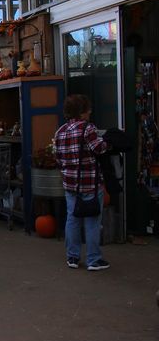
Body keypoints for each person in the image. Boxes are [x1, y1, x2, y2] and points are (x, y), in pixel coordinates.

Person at [54, 94, 110, 271]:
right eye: (88, 109)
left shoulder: (60, 131)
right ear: (82, 111)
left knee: (72, 218)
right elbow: (99, 149)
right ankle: (93, 260)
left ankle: (72, 257)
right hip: (90, 182)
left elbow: (58, 158)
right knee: (92, 221)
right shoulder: (88, 128)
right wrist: (108, 142)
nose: (90, 112)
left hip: (70, 184)